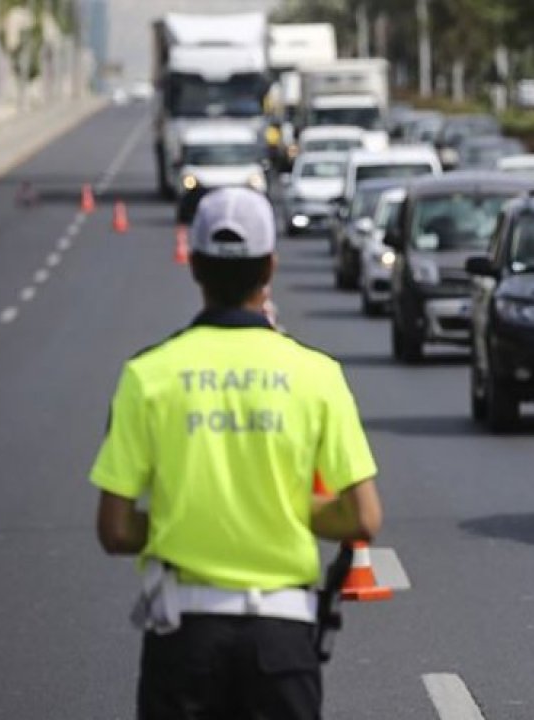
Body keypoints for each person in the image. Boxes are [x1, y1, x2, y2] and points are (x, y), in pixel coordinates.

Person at [91, 186, 382, 720]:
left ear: (195, 266)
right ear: (269, 268)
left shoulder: (147, 376)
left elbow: (114, 528)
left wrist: (190, 519)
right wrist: (286, 510)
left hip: (184, 639)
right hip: (283, 641)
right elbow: (362, 516)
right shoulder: (316, 375)